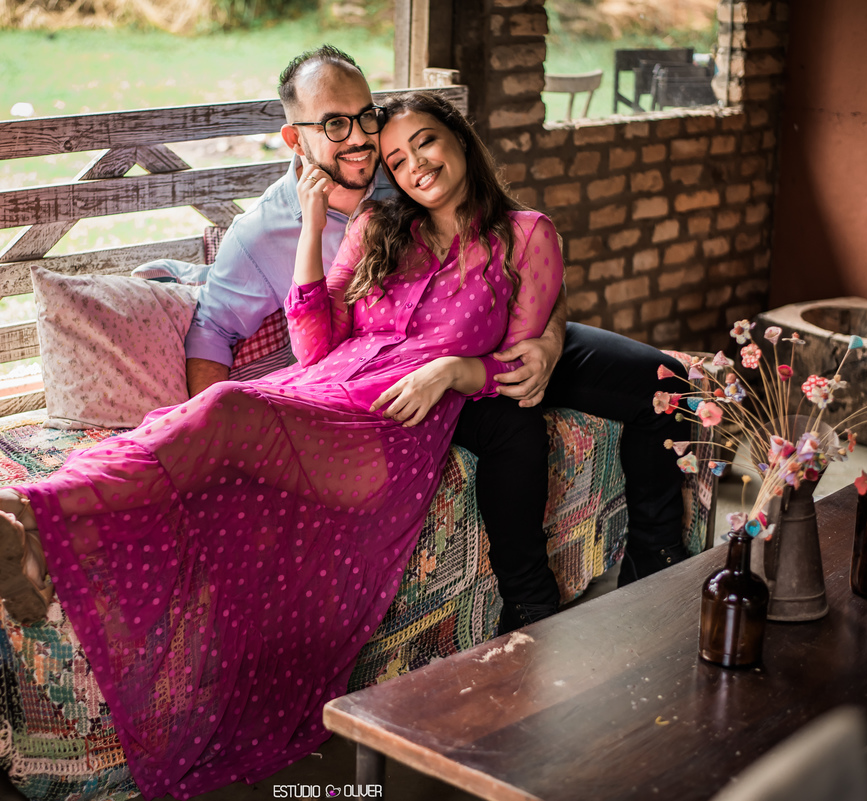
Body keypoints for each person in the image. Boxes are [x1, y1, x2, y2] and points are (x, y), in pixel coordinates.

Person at [0, 90, 562, 800]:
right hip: (317, 394)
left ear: (457, 135)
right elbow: (316, 344)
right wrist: (312, 225)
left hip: (383, 436)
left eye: (424, 141)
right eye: (395, 158)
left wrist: (453, 370)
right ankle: (38, 556)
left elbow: (523, 369)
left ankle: (33, 505)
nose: (414, 164)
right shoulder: (379, 227)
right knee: (198, 471)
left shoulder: (526, 236)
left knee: (223, 407)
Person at [176, 46, 692, 634]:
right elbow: (218, 330)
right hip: (400, 362)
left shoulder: (396, 172)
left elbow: (527, 258)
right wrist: (213, 440)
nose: (362, 139)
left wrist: (548, 339)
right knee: (511, 425)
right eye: (335, 124)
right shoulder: (266, 234)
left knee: (663, 381)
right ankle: (531, 607)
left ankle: (658, 564)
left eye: (366, 116)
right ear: (297, 139)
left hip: (487, 327)